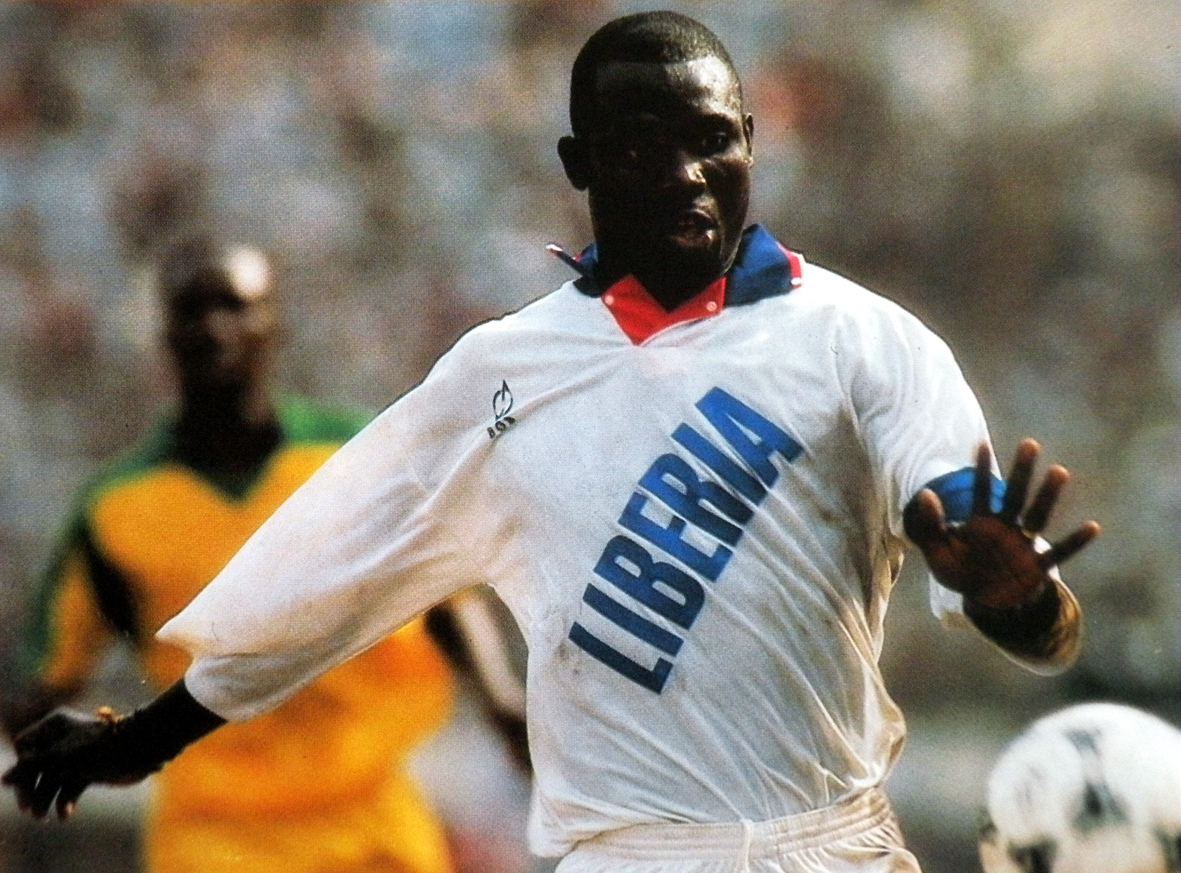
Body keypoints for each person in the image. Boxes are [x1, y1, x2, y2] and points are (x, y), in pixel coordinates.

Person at [4, 12, 1100, 873]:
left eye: (712, 140)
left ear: (750, 142)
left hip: (831, 848)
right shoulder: (501, 374)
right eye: (643, 147)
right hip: (624, 857)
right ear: (579, 163)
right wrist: (135, 741)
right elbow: (319, 586)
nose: (685, 173)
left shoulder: (867, 344)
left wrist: (1018, 602)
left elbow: (1022, 610)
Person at [0, 236, 465, 873]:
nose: (213, 326)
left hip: (368, 817)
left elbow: (450, 601)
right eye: (191, 309)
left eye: (233, 305)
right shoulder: (117, 507)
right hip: (214, 835)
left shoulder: (351, 455)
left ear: (274, 325)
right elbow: (45, 680)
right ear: (164, 334)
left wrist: (511, 714)